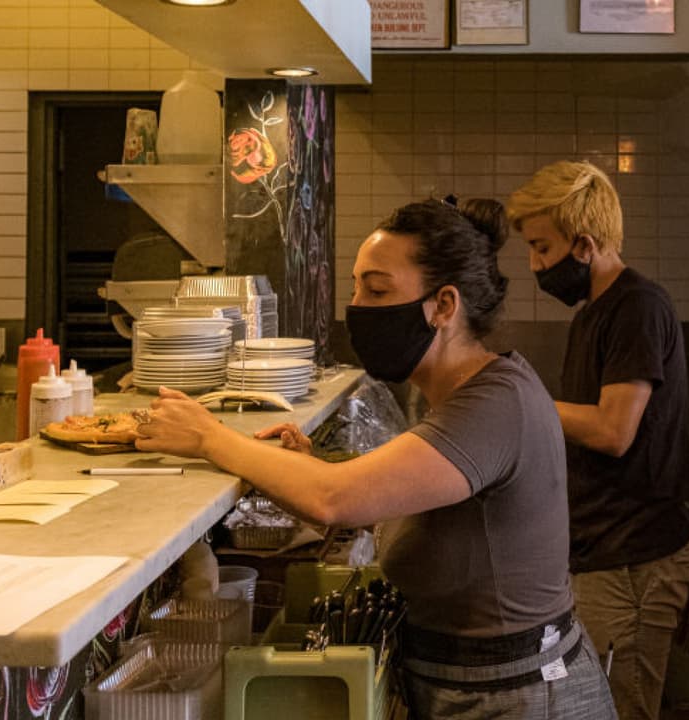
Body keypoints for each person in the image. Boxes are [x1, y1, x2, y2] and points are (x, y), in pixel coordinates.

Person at [136, 199, 616, 719]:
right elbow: (376, 499)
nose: (358, 307)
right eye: (356, 289)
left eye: (378, 290)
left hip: (521, 697)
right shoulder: (454, 395)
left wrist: (208, 436)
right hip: (472, 688)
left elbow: (336, 499)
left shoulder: (496, 403)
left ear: (444, 305)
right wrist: (302, 465)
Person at [508, 161, 689, 720]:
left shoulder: (637, 307)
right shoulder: (594, 313)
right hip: (604, 552)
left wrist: (525, 403)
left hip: (634, 559)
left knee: (623, 705)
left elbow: (614, 431)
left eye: (542, 248)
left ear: (585, 245)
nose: (535, 264)